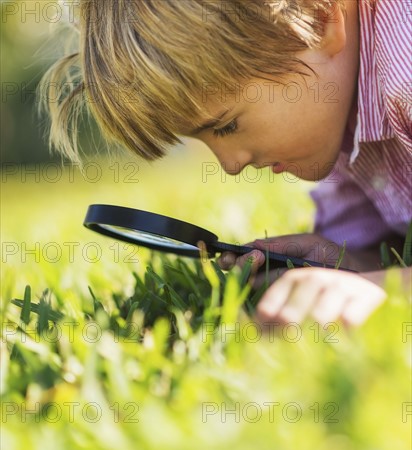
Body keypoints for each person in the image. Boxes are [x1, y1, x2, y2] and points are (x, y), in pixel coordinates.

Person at [40, 0, 411, 327]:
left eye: (227, 125)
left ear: (321, 18)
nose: (230, 165)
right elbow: (395, 248)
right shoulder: (337, 125)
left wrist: (379, 289)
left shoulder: (403, 68)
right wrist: (354, 262)